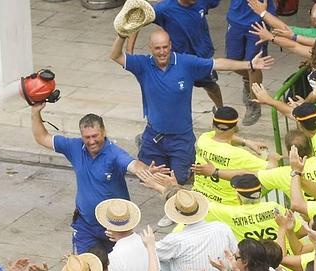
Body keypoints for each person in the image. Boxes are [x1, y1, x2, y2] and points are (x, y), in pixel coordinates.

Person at [110, 29, 274, 185]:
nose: (162, 52)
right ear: (150, 48)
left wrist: (249, 64)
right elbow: (115, 55)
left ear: (171, 45)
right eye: (157, 48)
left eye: (165, 47)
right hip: (154, 136)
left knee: (180, 179)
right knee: (151, 178)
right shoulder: (143, 64)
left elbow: (218, 64)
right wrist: (122, 34)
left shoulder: (186, 62)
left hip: (181, 138)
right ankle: (143, 142)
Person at [30, 104, 161, 253]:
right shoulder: (73, 147)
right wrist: (35, 112)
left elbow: (132, 164)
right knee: (86, 269)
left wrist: (146, 171)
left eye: (95, 136)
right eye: (87, 137)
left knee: (118, 269)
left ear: (104, 132)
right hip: (85, 225)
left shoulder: (114, 153)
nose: (91, 141)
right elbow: (42, 137)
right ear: (81, 136)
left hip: (115, 226)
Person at [153, 189, 238, 271]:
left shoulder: (176, 240)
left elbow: (152, 253)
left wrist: (148, 242)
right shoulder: (222, 228)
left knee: (160, 265)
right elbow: (235, 253)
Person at [129, 0, 223, 109]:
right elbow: (138, 20)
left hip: (201, 57)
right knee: (174, 90)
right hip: (178, 60)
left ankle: (221, 111)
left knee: (211, 86)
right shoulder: (163, 9)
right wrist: (129, 52)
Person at [192, 106, 279, 206]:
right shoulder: (238, 155)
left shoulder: (203, 139)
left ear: (212, 125)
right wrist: (272, 157)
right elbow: (272, 169)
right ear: (235, 127)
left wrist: (246, 142)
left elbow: (222, 133)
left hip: (200, 201)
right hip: (227, 207)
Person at [223, 0, 276, 126]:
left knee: (254, 65)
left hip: (257, 23)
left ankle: (254, 102)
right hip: (235, 21)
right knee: (233, 62)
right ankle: (248, 82)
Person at [249, 1, 316, 42]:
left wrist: (262, 12)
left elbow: (284, 29)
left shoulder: (315, 34)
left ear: (314, 21)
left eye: (310, 12)